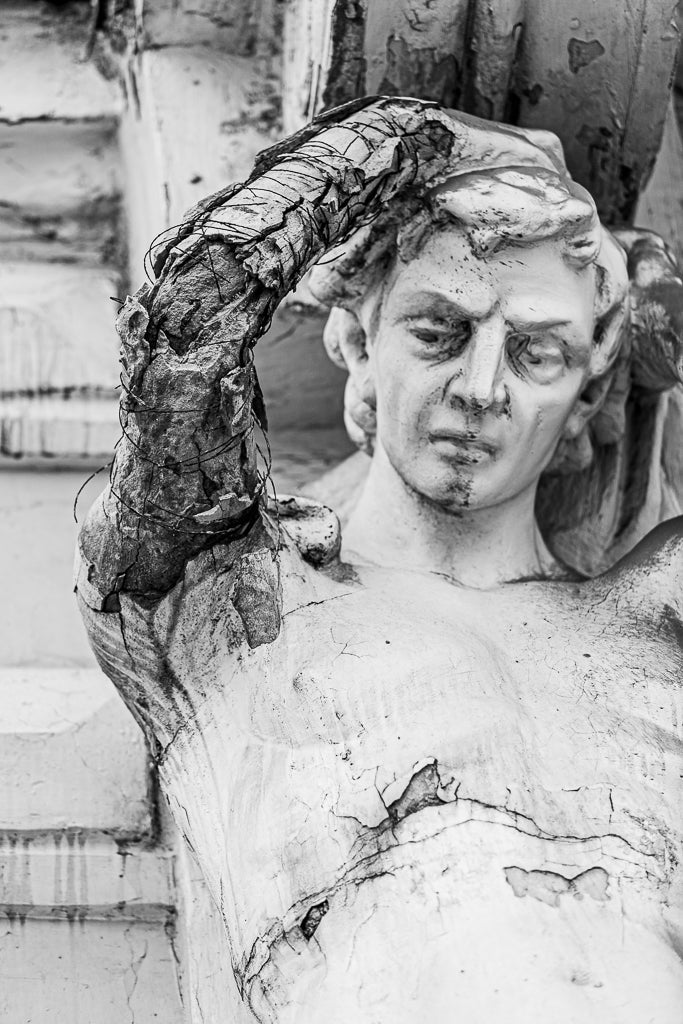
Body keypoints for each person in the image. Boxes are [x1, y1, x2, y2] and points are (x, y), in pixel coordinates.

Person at [76, 98, 683, 1023]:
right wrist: (418, 140)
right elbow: (187, 320)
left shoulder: (657, 619)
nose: (481, 390)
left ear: (588, 382)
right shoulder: (236, 605)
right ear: (357, 340)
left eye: (537, 353)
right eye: (438, 333)